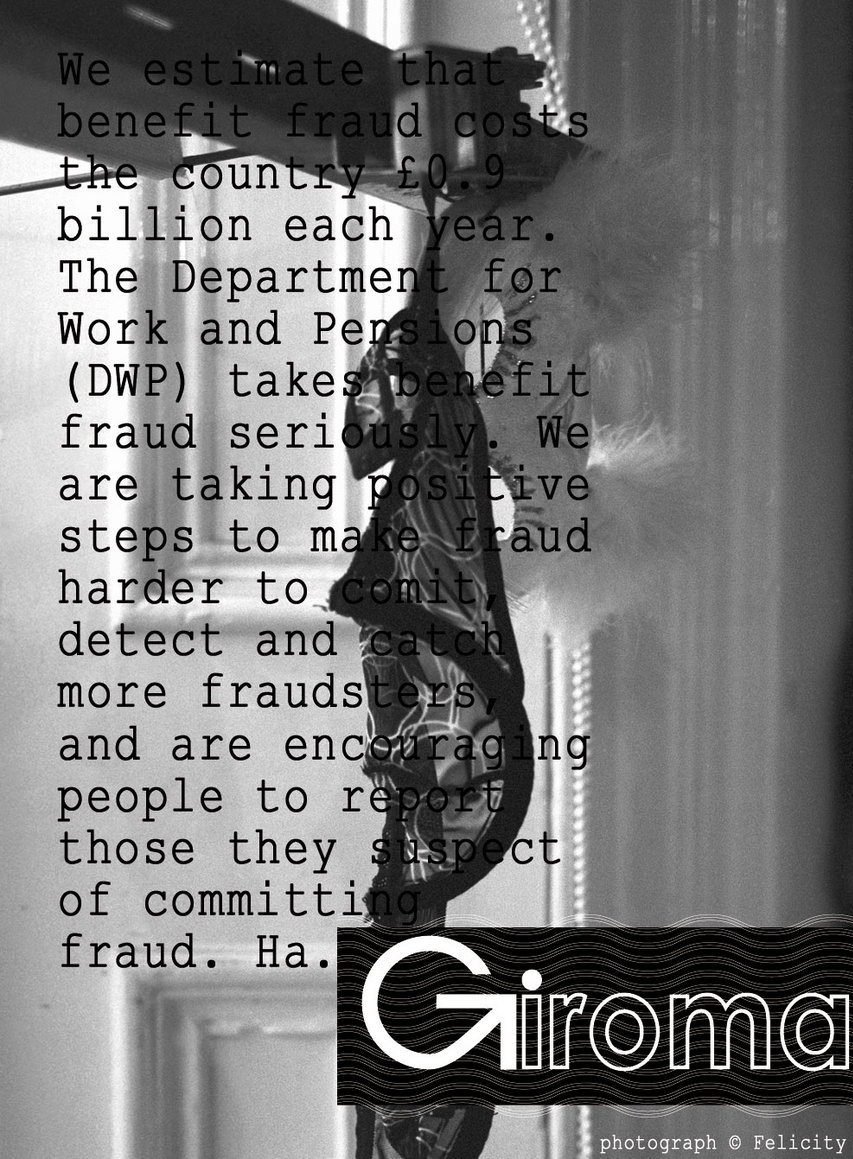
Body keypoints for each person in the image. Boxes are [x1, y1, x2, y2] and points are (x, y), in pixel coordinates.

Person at [328, 101, 697, 1159]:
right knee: (420, 805)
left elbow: (496, 440)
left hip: (449, 570)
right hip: (443, 567)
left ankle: (409, 1052)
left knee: (420, 804)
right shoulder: (509, 289)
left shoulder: (531, 310)